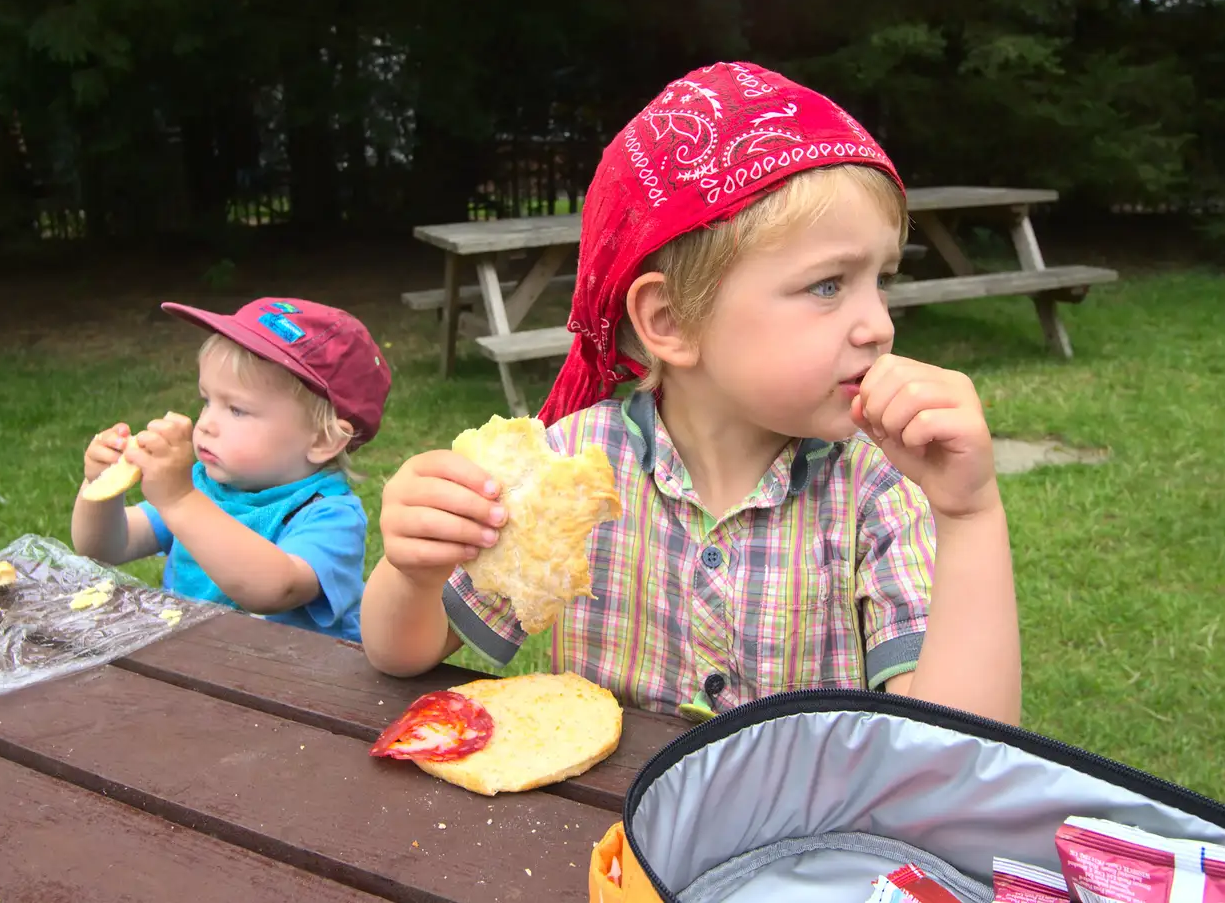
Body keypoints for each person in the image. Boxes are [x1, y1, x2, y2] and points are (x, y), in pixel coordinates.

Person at [360, 61, 1022, 724]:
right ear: (671, 321)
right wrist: (413, 573)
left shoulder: (876, 487)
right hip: (604, 827)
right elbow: (402, 653)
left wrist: (968, 516)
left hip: (801, 826)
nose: (879, 324)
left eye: (883, 280)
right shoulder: (571, 472)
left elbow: (960, 745)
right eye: (828, 285)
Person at [71, 297, 390, 642]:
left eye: (237, 410)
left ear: (322, 441)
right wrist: (99, 486)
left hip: (290, 686)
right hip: (196, 669)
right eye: (207, 401)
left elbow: (276, 589)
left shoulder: (329, 516)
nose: (206, 424)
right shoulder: (205, 487)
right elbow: (106, 547)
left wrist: (179, 501)